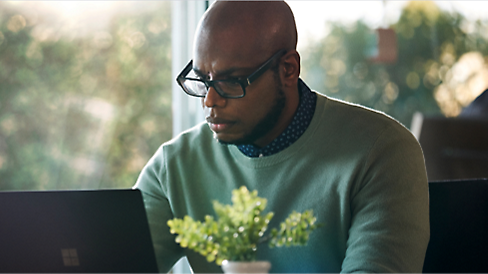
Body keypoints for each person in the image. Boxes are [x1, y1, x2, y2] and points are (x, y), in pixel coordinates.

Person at [134, 1, 429, 273]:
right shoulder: (174, 166)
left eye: (231, 81)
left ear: (288, 69)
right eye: (202, 80)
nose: (210, 100)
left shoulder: (381, 151)